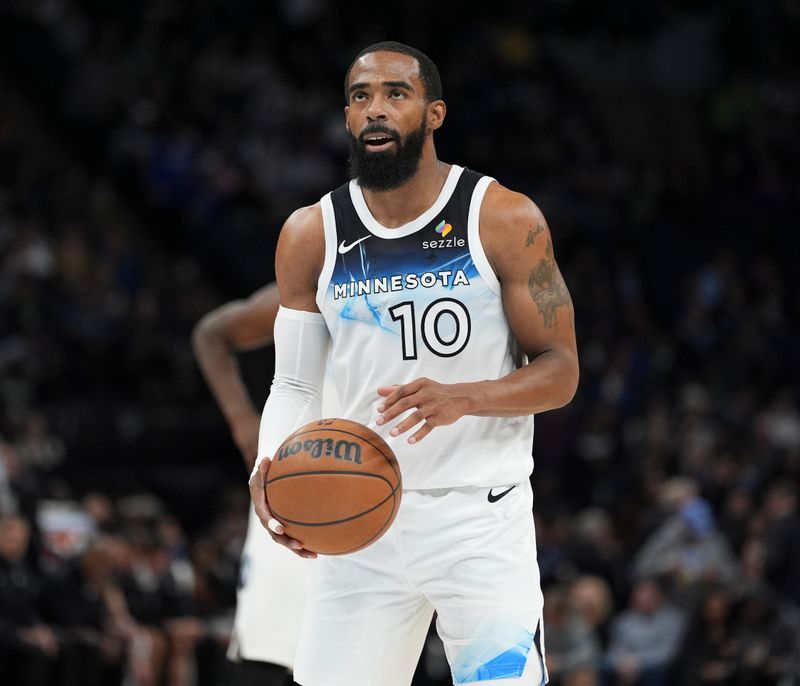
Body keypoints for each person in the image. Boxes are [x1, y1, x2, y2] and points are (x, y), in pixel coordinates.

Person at [249, 41, 579, 686]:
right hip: (357, 521)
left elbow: (561, 369)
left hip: (479, 520)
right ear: (346, 118)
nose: (376, 109)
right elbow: (292, 382)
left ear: (434, 113)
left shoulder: (503, 218)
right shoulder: (311, 233)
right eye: (360, 97)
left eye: (396, 94)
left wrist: (468, 396)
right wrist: (270, 469)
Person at [192, 283, 307, 686]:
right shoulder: (317, 274)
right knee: (267, 656)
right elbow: (211, 334)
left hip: (380, 488)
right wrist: (243, 423)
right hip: (293, 485)